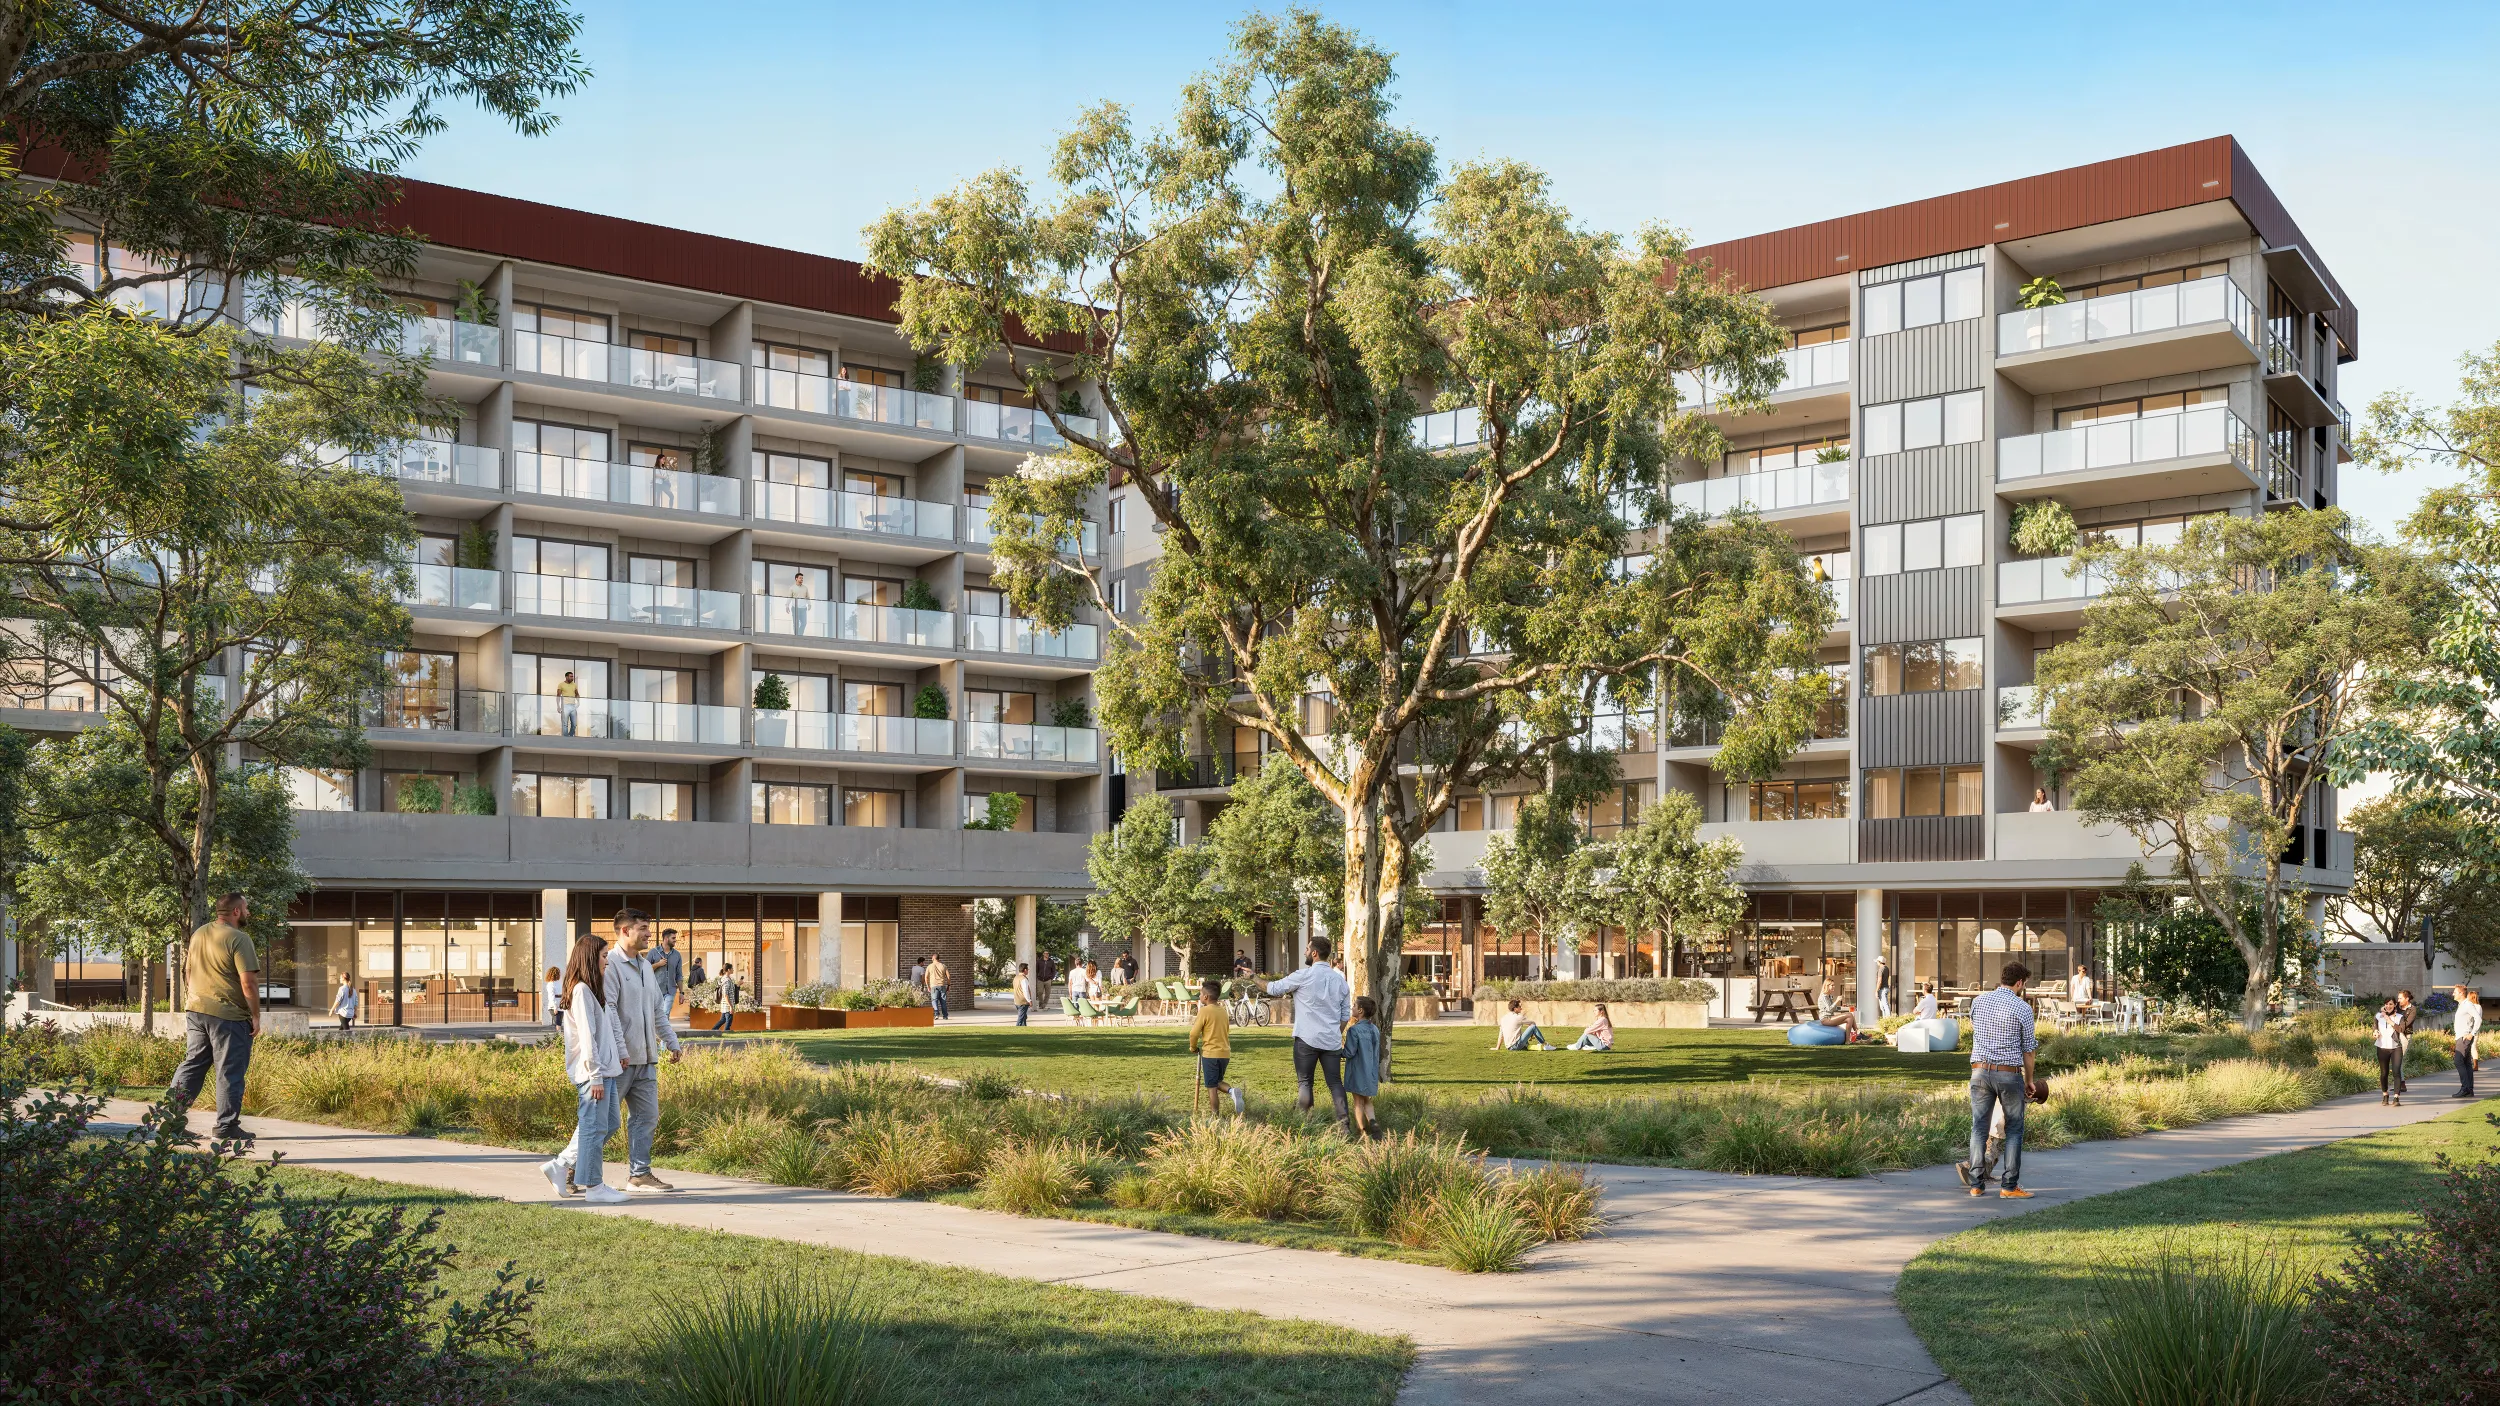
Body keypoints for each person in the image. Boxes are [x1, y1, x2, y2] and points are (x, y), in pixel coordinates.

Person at [165, 893, 261, 1144]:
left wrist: (195, 996)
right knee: (229, 1071)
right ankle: (226, 1127)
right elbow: (248, 983)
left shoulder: (199, 934)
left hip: (196, 1010)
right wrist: (256, 1015)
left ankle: (171, 1121)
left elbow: (187, 972)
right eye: (246, 908)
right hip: (228, 1016)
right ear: (237, 912)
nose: (248, 912)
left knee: (193, 1064)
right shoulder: (239, 939)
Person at [600, 907, 683, 1193]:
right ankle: (571, 1168)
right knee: (603, 1123)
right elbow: (609, 1010)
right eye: (644, 928)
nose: (650, 934)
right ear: (625, 930)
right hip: (619, 1061)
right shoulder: (610, 964)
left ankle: (640, 1174)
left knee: (647, 1117)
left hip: (647, 1059)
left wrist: (671, 1041)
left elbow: (658, 1010)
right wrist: (621, 1050)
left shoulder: (647, 965)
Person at [542, 931, 628, 1203]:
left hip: (606, 1070)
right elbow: (588, 1038)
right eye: (604, 956)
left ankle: (561, 1164)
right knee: (593, 1128)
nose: (607, 961)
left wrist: (619, 1054)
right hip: (593, 1074)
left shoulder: (594, 989)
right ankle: (594, 1187)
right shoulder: (580, 991)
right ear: (591, 958)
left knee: (609, 1123)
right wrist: (596, 1076)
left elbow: (607, 1028)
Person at [1966, 962, 2039, 1199]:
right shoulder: (2023, 1008)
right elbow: (2028, 1051)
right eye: (2023, 984)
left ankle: (1976, 1185)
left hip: (1979, 1072)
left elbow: (1975, 1028)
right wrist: (2029, 1081)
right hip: (2008, 1074)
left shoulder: (1979, 1001)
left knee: (1979, 1128)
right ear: (2019, 983)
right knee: (2015, 1130)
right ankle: (2009, 1187)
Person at [1267, 936, 1352, 1125]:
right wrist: (1335, 1033)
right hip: (1331, 1041)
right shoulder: (1340, 981)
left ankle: (1305, 1124)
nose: (1305, 952)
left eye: (1306, 949)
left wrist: (1252, 977)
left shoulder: (1303, 976)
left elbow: (1273, 988)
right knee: (1335, 1083)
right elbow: (1345, 1015)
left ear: (1314, 953)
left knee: (1305, 1083)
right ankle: (1344, 1125)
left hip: (1306, 1039)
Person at [1190, 977, 1245, 1116]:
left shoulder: (1204, 1011)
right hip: (1225, 1053)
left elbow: (1194, 1033)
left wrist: (1193, 1047)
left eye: (1201, 994)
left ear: (1206, 997)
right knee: (1218, 1081)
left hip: (1210, 1054)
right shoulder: (1223, 1011)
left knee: (1211, 1087)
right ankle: (1232, 1091)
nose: (1200, 996)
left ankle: (1215, 1117)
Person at [1343, 996, 1384, 1138]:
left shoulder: (1354, 1031)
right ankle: (1373, 1123)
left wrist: (1337, 1052)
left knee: (1358, 1102)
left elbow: (1349, 1052)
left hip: (1357, 1070)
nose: (1352, 1008)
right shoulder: (1375, 1030)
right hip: (1370, 1070)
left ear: (1360, 1011)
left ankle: (1363, 1132)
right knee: (1367, 1100)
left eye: (1354, 1006)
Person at [2452, 986, 2483, 1099]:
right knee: (2466, 1063)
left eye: (2454, 992)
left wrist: (2472, 1034)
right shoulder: (2462, 1005)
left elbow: (2478, 1019)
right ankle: (2469, 1089)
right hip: (2461, 1037)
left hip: (2464, 1038)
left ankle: (2465, 1088)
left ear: (2461, 993)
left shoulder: (2468, 1005)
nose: (2453, 994)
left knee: (2458, 1061)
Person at [651, 929, 686, 1022]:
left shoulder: (677, 955)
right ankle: (655, 1035)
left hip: (670, 990)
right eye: (673, 938)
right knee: (655, 1014)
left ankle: (663, 1036)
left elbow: (679, 975)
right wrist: (658, 964)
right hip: (655, 990)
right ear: (666, 939)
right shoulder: (653, 952)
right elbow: (645, 970)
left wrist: (682, 993)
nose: (675, 940)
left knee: (666, 1013)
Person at [2376, 999, 2405, 1106]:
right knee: (2384, 1073)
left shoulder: (2399, 1017)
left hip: (2396, 1047)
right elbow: (2375, 1027)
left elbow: (2401, 1029)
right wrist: (2375, 1032)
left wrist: (2390, 1020)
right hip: (2382, 1047)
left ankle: (2396, 1097)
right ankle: (2385, 1094)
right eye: (2386, 1004)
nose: (2388, 1006)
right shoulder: (2379, 1016)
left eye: (2391, 1004)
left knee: (2396, 1071)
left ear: (2395, 1005)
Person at [1815, 976, 1860, 1042]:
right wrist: (1837, 1001)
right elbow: (1829, 1009)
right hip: (1826, 1019)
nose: (1834, 987)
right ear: (1827, 986)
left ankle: (1848, 1041)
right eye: (1832, 985)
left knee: (1849, 1019)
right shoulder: (1823, 997)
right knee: (1850, 1015)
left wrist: (1844, 1007)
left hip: (1830, 1017)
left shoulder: (1828, 996)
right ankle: (1858, 1034)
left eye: (1834, 985)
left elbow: (1833, 1009)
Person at [2395, 990, 2419, 1095]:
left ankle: (2401, 1084)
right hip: (2395, 1035)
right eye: (2398, 998)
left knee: (2398, 1059)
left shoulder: (2412, 1009)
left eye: (2400, 998)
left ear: (2407, 999)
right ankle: (2401, 1084)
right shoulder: (2396, 1007)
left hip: (2405, 1035)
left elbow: (2406, 1024)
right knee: (2396, 1060)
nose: (2398, 1000)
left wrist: (2394, 1024)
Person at [709, 962, 740, 1033]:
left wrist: (738, 984)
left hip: (726, 1004)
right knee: (729, 1021)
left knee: (723, 1020)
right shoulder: (726, 980)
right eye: (732, 968)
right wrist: (731, 1006)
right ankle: (727, 1032)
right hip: (727, 1005)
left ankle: (713, 1030)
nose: (733, 970)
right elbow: (725, 994)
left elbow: (731, 990)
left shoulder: (728, 979)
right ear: (728, 970)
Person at [556, 669, 582, 736]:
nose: (572, 678)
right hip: (565, 706)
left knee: (574, 724)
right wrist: (558, 706)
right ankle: (565, 738)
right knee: (565, 724)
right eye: (570, 676)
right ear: (566, 677)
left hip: (573, 706)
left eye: (572, 676)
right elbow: (558, 695)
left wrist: (578, 702)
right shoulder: (561, 685)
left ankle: (570, 735)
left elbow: (577, 694)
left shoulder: (574, 685)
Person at [927, 951, 951, 1020]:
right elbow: (948, 976)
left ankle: (936, 1014)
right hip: (942, 985)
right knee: (943, 1001)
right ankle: (945, 1016)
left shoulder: (930, 966)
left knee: (934, 1000)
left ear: (933, 958)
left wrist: (928, 986)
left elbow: (926, 977)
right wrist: (948, 985)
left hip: (933, 986)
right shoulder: (943, 966)